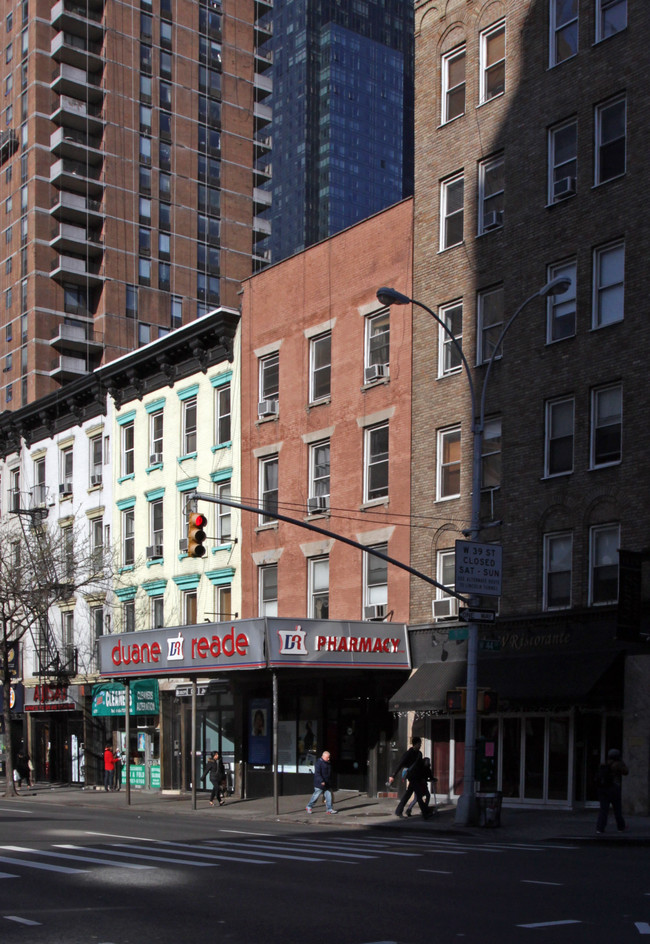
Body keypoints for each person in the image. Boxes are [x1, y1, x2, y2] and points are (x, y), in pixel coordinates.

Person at [388, 736, 433, 819]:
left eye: (420, 744)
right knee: (419, 795)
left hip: (417, 777)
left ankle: (398, 811)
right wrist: (393, 775)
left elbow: (421, 767)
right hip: (412, 777)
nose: (420, 745)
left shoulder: (419, 754)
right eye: (419, 744)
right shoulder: (408, 753)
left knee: (408, 794)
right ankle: (425, 813)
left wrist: (426, 776)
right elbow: (400, 764)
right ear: (415, 744)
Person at [596, 748, 629, 834]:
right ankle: (621, 827)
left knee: (603, 810)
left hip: (602, 789)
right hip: (614, 788)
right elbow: (626, 772)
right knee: (617, 809)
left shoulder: (604, 764)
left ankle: (600, 828)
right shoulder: (618, 764)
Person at [306, 750, 337, 814]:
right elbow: (317, 774)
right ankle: (309, 806)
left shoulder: (328, 763)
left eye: (329, 757)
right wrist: (321, 781)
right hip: (320, 783)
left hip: (327, 783)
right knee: (316, 796)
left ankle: (329, 809)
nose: (328, 758)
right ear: (323, 756)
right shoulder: (318, 763)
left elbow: (329, 773)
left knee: (329, 796)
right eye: (327, 757)